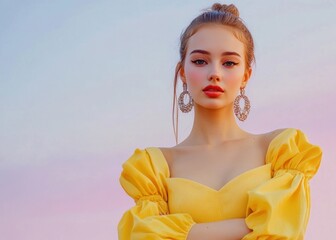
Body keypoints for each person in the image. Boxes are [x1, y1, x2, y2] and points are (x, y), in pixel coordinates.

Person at [118, 3, 323, 240]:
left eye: (229, 63)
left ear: (245, 75)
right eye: (200, 61)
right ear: (182, 72)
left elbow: (282, 232)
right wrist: (252, 224)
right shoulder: (155, 168)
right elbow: (143, 236)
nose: (214, 73)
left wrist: (181, 233)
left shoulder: (280, 151)